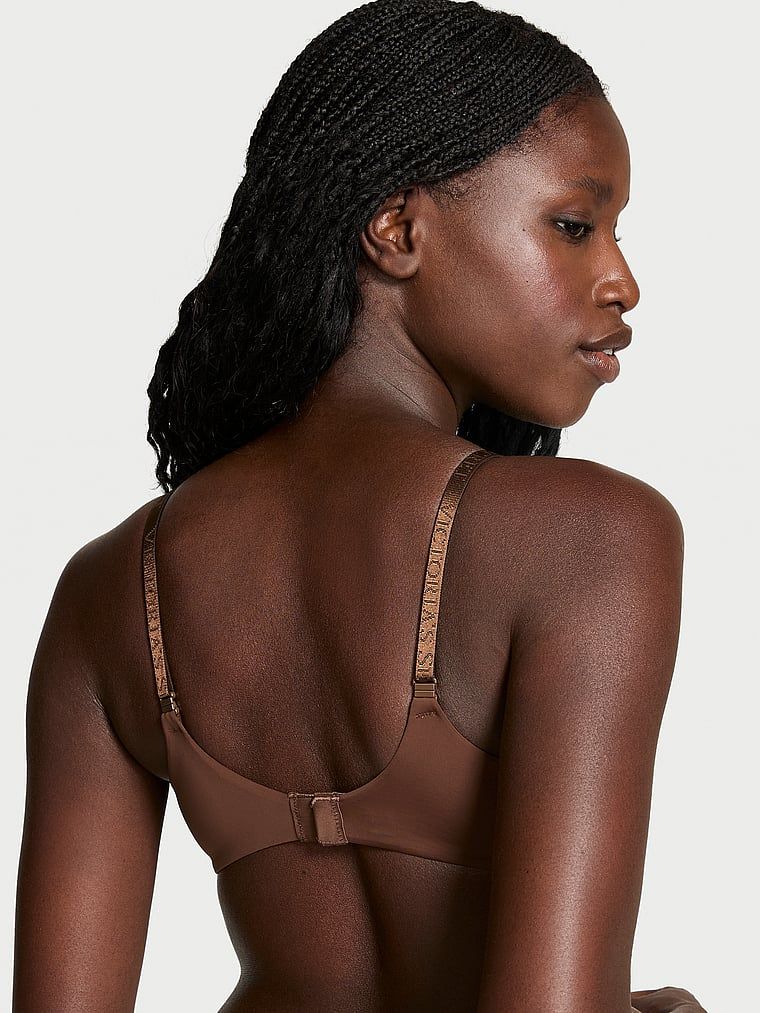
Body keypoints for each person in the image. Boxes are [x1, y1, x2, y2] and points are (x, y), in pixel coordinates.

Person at [12, 2, 708, 1011]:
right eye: (573, 225)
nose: (622, 281)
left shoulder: (112, 589)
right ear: (397, 230)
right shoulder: (589, 539)